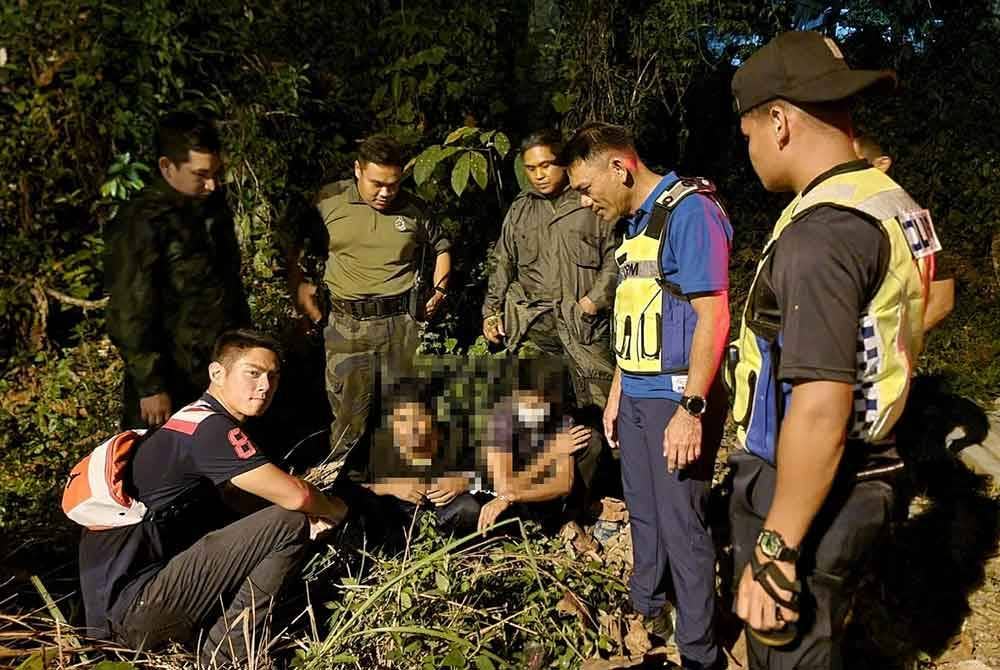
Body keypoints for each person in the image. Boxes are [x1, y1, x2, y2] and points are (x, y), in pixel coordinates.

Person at [728, 31, 936, 669]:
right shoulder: (884, 203)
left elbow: (820, 405)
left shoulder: (822, 235)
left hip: (811, 480)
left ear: (780, 121)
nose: (752, 151)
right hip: (866, 463)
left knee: (790, 649)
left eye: (749, 136)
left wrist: (774, 548)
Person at [564, 122, 732, 670]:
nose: (586, 202)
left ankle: (700, 653)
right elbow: (637, 314)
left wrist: (692, 408)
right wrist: (617, 390)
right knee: (643, 511)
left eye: (588, 188)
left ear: (621, 166)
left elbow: (715, 315)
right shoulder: (637, 223)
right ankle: (650, 608)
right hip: (636, 392)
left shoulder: (692, 212)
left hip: (676, 396)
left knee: (683, 525)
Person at [77, 330, 349, 667]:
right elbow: (297, 496)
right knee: (290, 520)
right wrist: (336, 510)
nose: (265, 386)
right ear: (217, 373)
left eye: (273, 376)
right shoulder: (209, 429)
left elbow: (244, 507)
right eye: (253, 373)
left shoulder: (185, 423)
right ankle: (227, 657)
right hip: (131, 617)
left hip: (114, 618)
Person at [288, 135, 452, 483]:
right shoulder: (329, 201)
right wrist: (302, 293)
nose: (385, 193)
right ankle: (341, 493)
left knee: (406, 414)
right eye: (377, 183)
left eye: (393, 185)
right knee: (349, 418)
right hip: (347, 326)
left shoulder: (413, 208)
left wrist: (439, 290)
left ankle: (408, 498)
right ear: (358, 170)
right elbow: (298, 249)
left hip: (401, 326)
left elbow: (441, 243)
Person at [105, 111, 251, 430]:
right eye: (200, 174)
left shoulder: (213, 208)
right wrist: (151, 385)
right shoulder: (141, 222)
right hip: (170, 376)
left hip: (216, 366)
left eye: (216, 173)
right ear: (167, 167)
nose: (212, 184)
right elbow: (129, 310)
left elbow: (229, 286)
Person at [482, 129, 617, 412]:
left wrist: (593, 302)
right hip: (534, 328)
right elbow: (503, 260)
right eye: (531, 168)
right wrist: (492, 312)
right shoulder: (522, 208)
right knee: (537, 421)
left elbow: (615, 256)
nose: (538, 175)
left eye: (546, 165)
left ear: (563, 161)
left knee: (598, 412)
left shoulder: (589, 199)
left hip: (585, 329)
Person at [476, 360, 598, 533]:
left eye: (541, 403)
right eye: (528, 403)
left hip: (531, 492)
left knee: (590, 440)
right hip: (498, 495)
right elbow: (504, 486)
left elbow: (564, 483)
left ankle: (567, 518)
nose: (534, 409)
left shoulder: (559, 418)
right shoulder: (500, 422)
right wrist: (552, 452)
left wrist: (513, 494)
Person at [854, 134, 955, 331]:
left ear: (882, 164)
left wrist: (899, 344)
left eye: (853, 164)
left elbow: (942, 298)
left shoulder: (908, 217)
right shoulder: (824, 216)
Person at [360, 383, 482, 540]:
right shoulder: (377, 447)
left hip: (444, 511)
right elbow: (350, 488)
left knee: (468, 508)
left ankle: (448, 542)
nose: (411, 428)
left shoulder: (454, 441)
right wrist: (390, 487)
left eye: (418, 418)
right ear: (391, 423)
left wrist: (465, 481)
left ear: (432, 418)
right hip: (400, 516)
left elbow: (492, 474)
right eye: (402, 419)